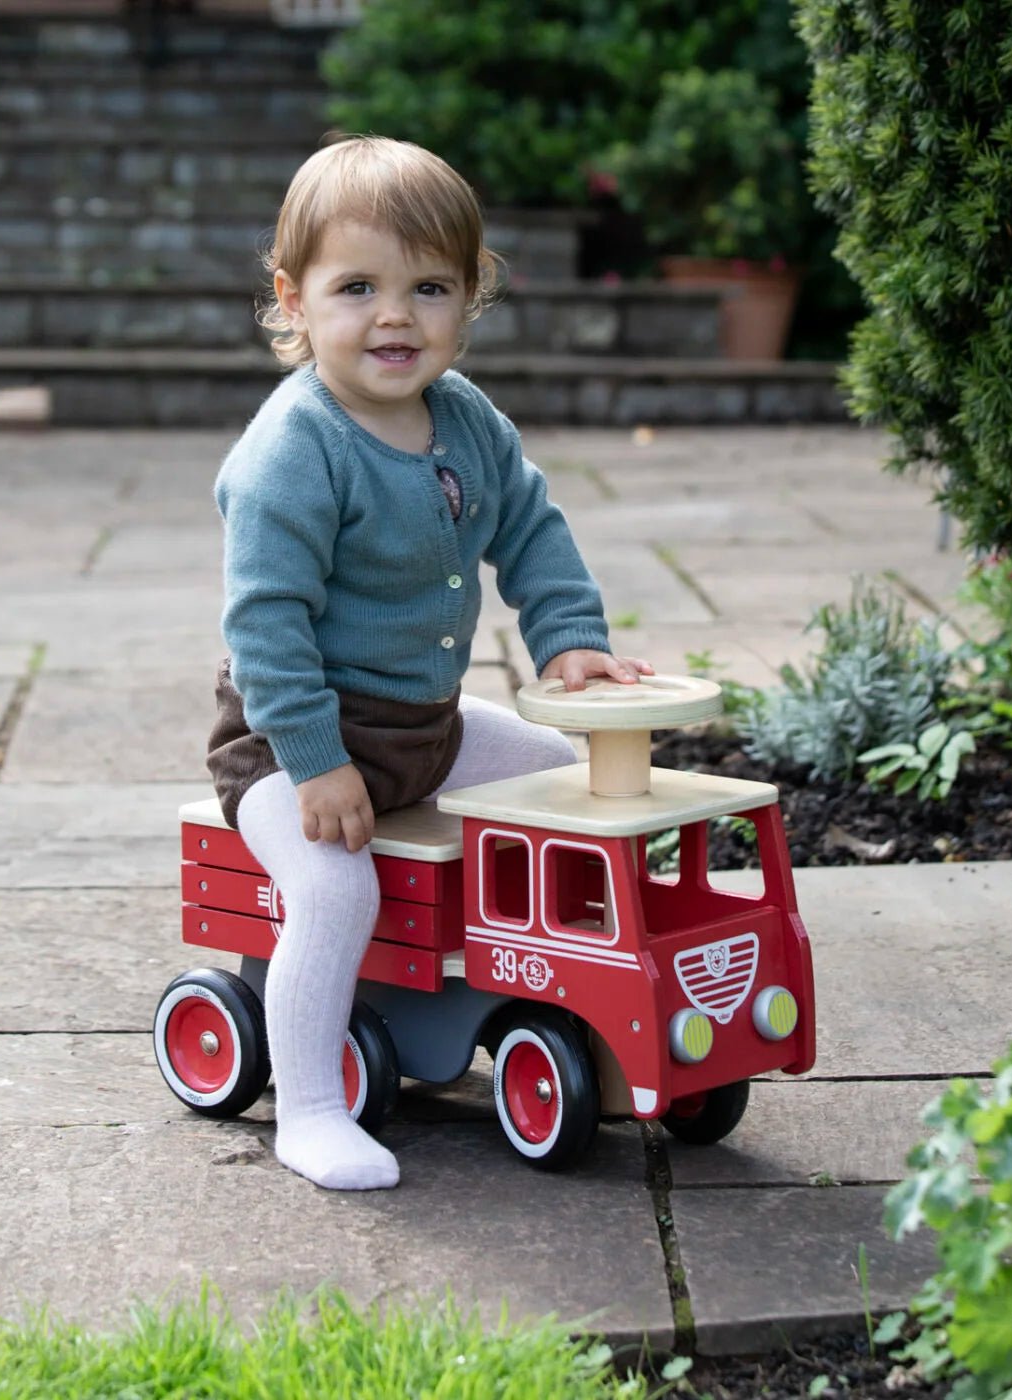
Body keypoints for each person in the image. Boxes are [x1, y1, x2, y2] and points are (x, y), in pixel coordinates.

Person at [208, 135, 651, 1191]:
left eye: (429, 286)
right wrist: (314, 762)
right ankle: (309, 1104)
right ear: (294, 297)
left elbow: (530, 526)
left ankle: (567, 998)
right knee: (333, 891)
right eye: (356, 286)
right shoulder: (293, 449)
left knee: (562, 777)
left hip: (423, 731)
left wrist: (569, 639)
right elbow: (265, 621)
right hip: (285, 743)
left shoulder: (465, 420)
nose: (395, 315)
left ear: (471, 296)